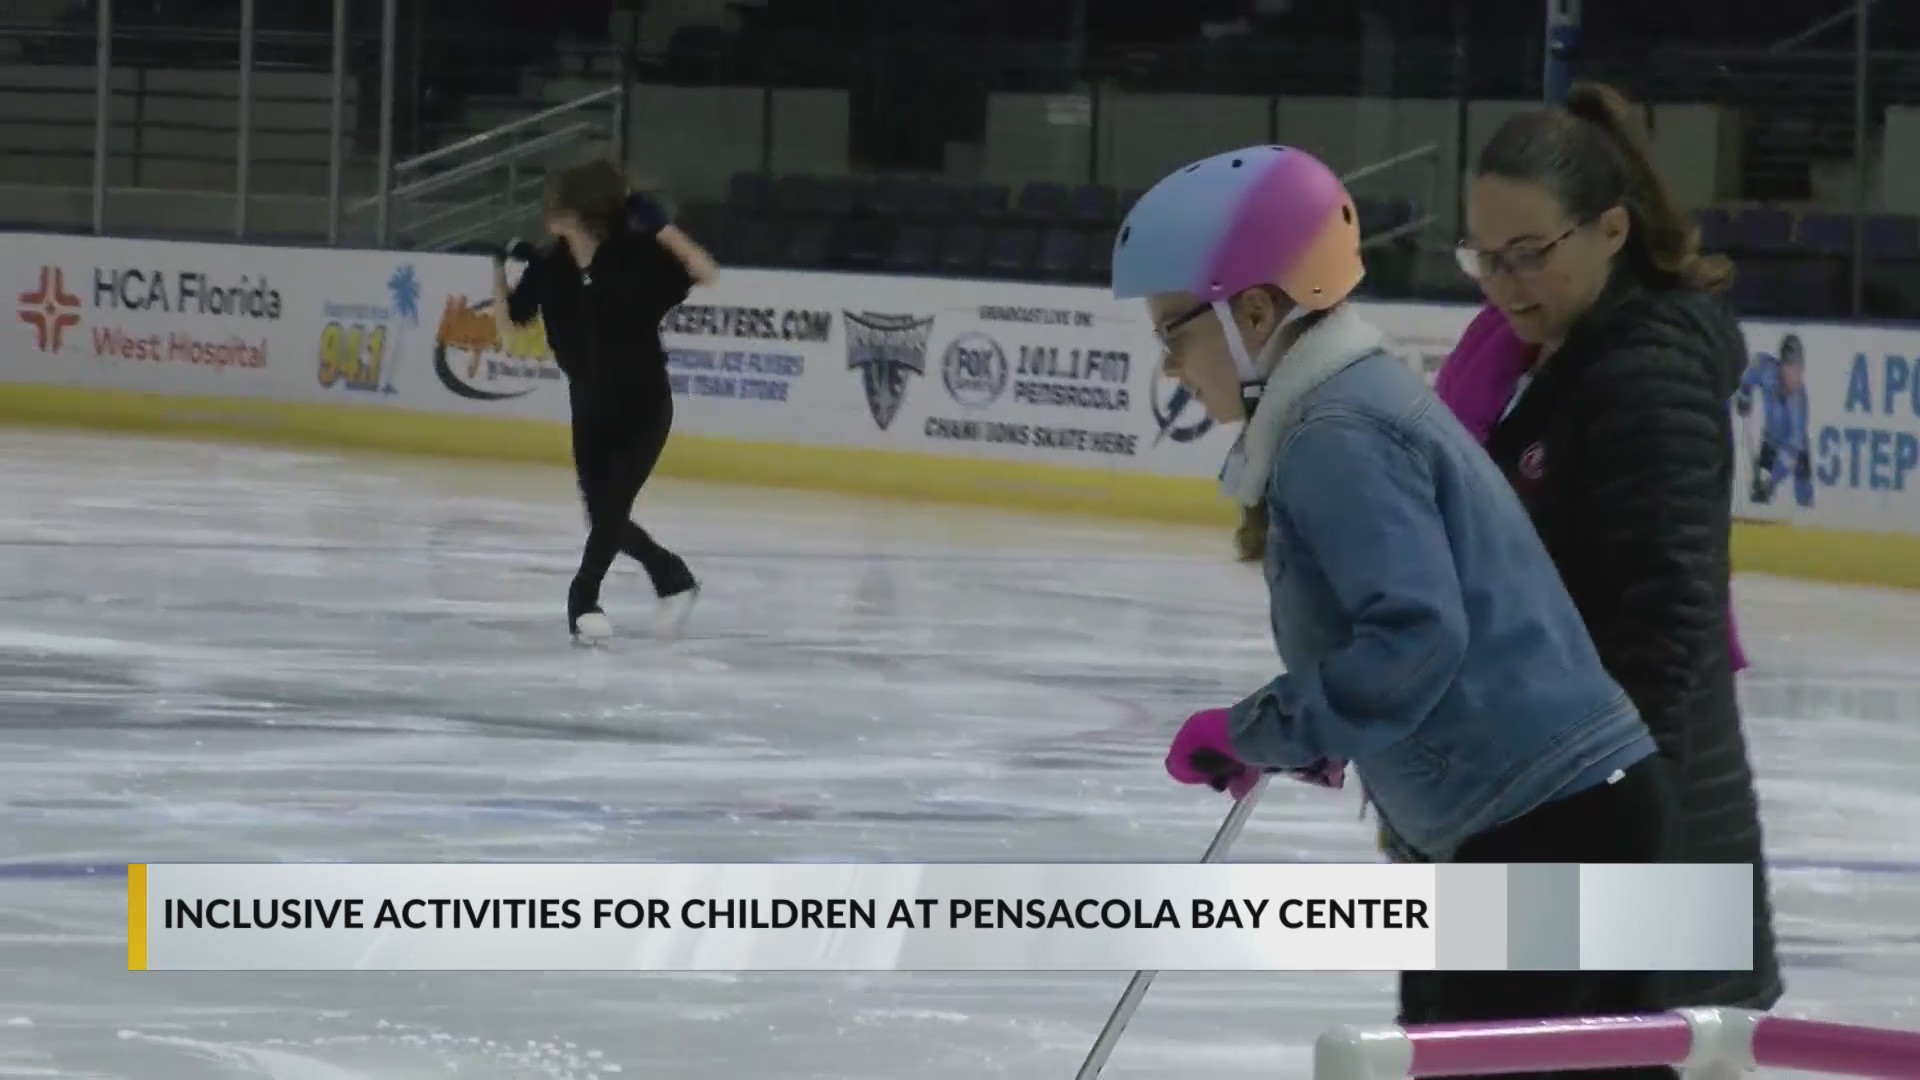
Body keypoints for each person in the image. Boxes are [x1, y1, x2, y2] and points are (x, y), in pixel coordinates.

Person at [1114, 144, 1679, 1065]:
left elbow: (1414, 638)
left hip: (1546, 830)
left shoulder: (1334, 432)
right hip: (1558, 817)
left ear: (1252, 311)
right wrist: (1316, 730)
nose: (1171, 365)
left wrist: (1261, 727)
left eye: (1172, 332)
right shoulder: (1341, 406)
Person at [1445, 81, 1780, 1013]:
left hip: (1641, 829)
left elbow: (1662, 631)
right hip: (1548, 803)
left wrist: (1624, 854)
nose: (1507, 282)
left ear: (1612, 232)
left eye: (1532, 254)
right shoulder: (1522, 358)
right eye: (1487, 257)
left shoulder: (1647, 373)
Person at [492, 159, 718, 644]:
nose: (546, 212)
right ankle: (672, 576)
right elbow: (512, 328)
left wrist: (662, 229)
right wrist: (500, 272)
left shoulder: (637, 256)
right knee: (603, 516)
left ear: (576, 212)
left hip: (644, 406)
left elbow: (704, 272)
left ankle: (582, 600)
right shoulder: (549, 269)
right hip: (589, 409)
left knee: (611, 508)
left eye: (555, 204)